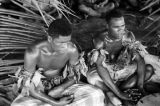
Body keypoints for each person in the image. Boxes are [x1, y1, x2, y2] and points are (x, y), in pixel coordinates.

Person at [11, 19, 105, 106]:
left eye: (67, 42)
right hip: (38, 91)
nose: (65, 46)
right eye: (61, 43)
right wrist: (56, 103)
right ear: (50, 39)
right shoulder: (33, 52)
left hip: (61, 85)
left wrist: (61, 88)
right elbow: (29, 86)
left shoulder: (71, 49)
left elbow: (74, 76)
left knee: (96, 94)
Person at [86, 9, 155, 106]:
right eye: (116, 27)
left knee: (148, 69)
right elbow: (100, 66)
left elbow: (139, 60)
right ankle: (119, 91)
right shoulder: (100, 40)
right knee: (92, 77)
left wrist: (140, 86)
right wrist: (119, 94)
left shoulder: (128, 36)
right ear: (107, 26)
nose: (121, 30)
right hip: (106, 71)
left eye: (123, 25)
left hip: (123, 70)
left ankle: (119, 89)